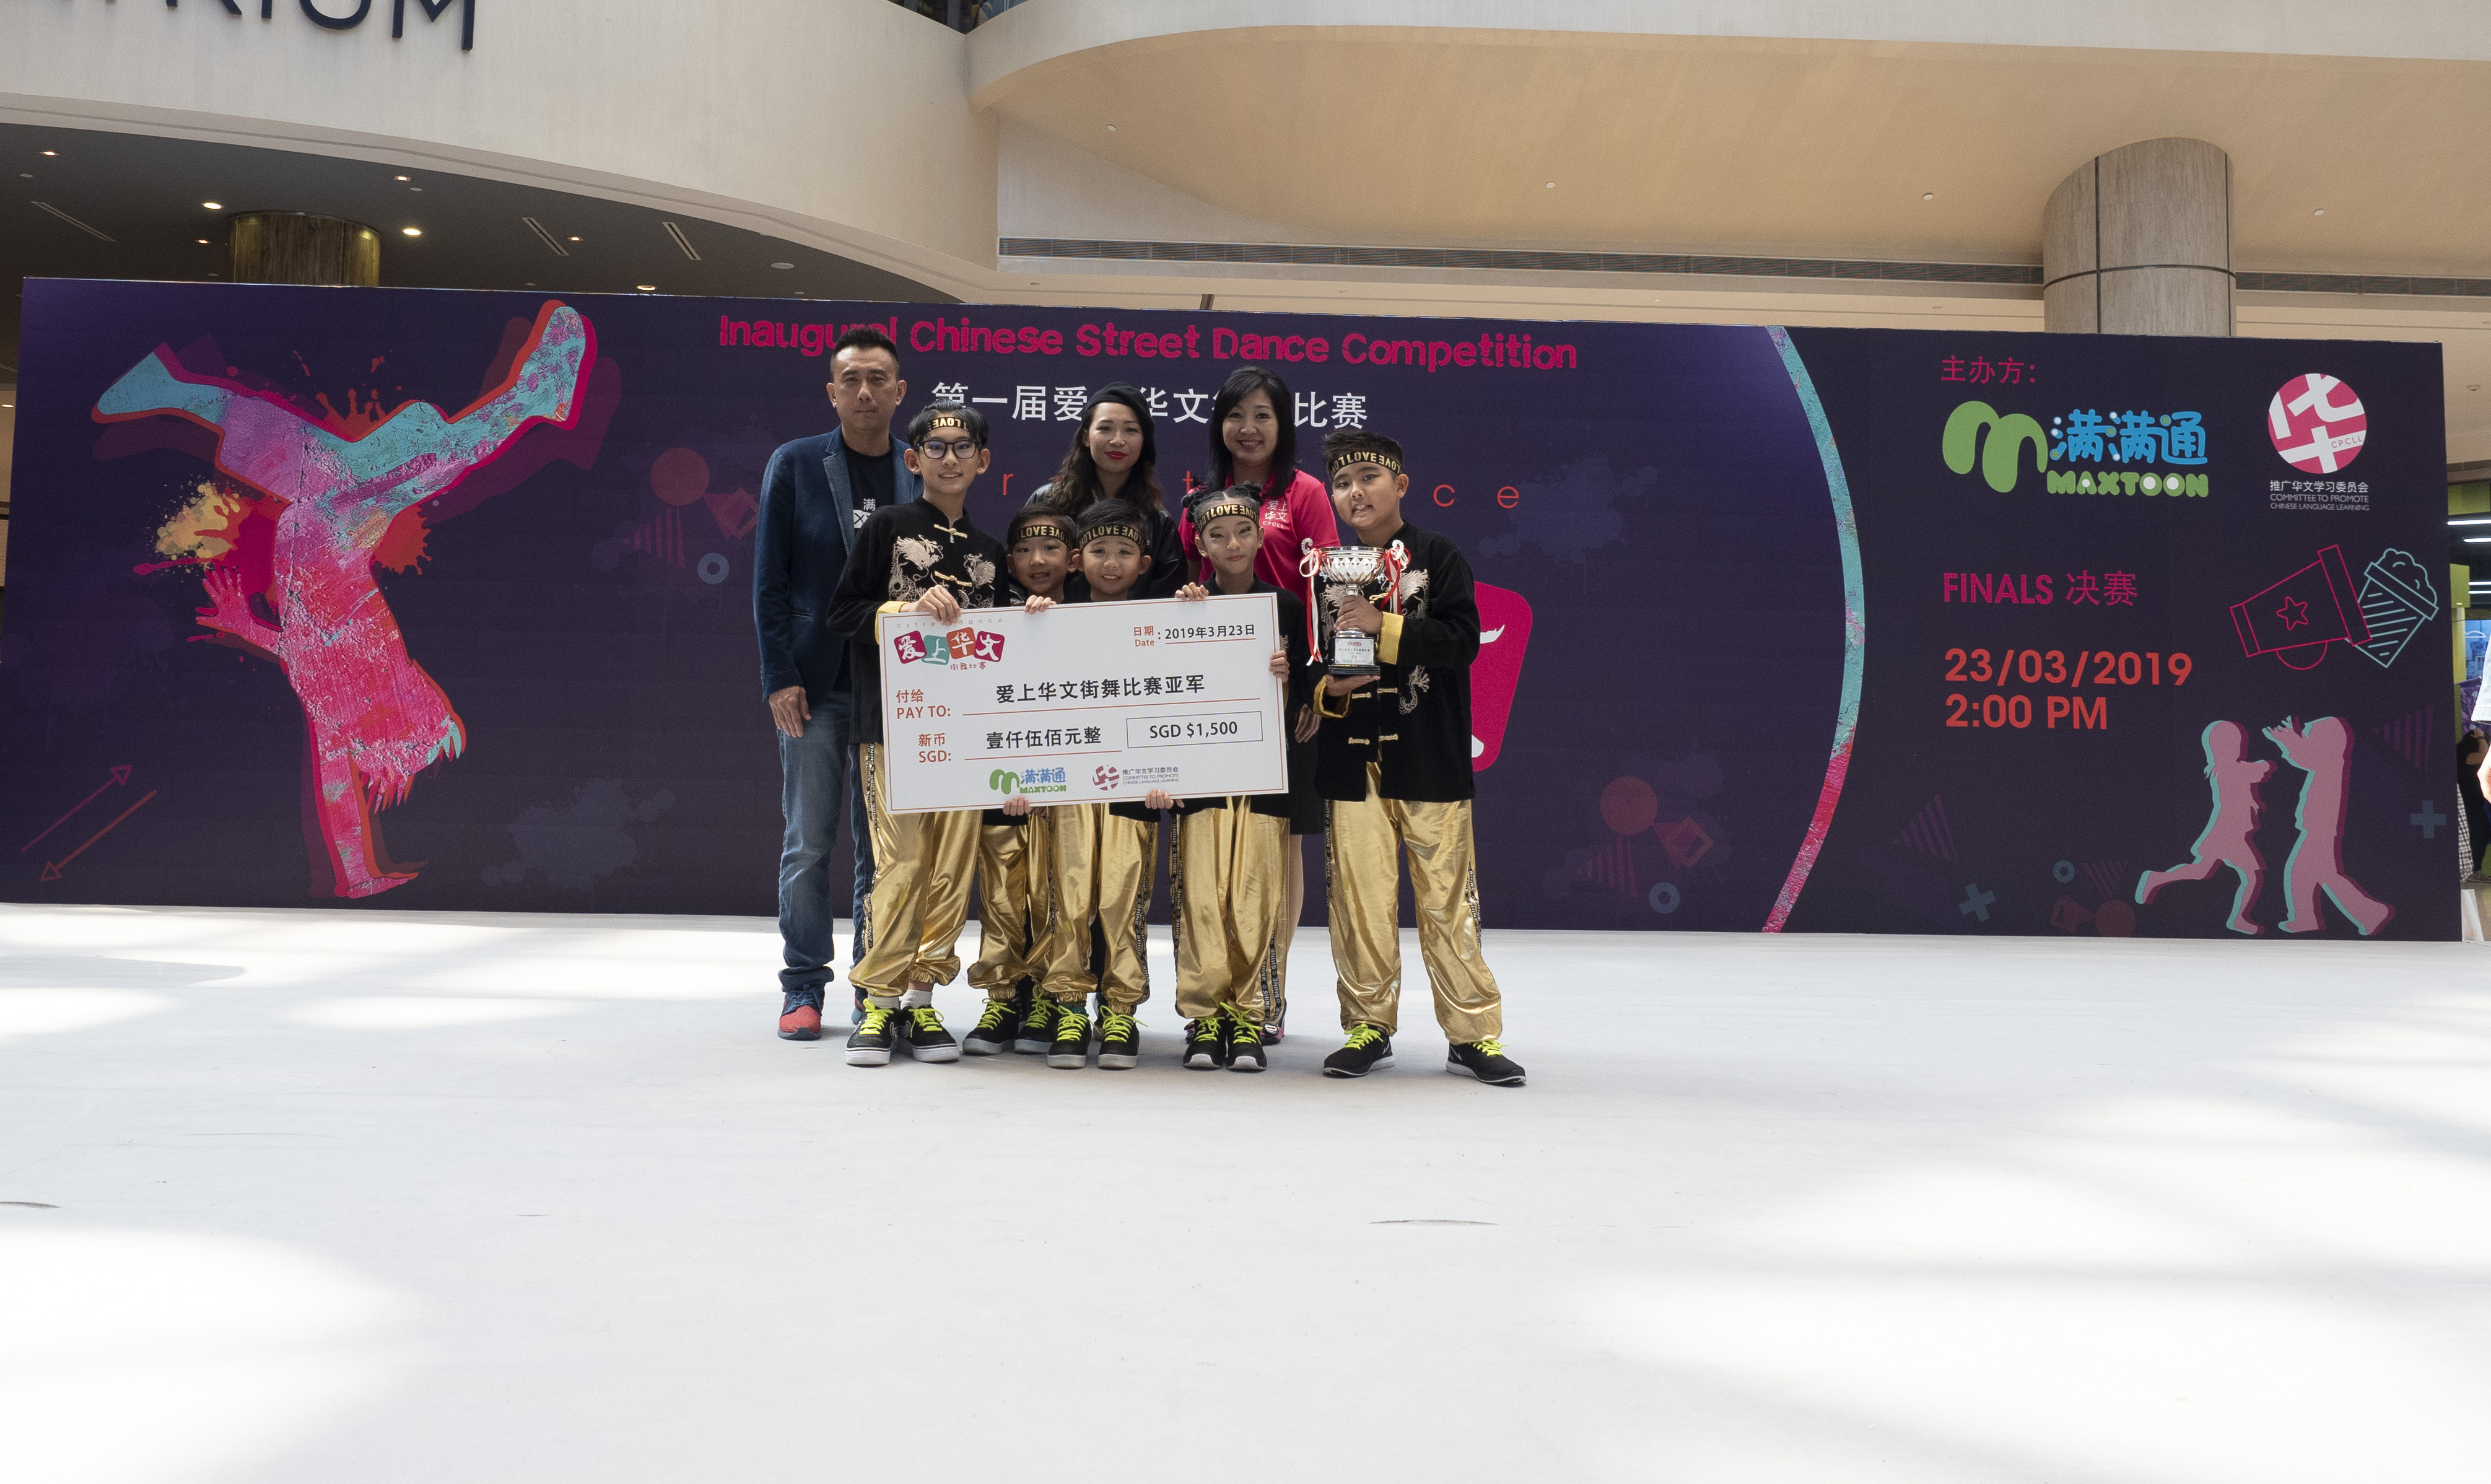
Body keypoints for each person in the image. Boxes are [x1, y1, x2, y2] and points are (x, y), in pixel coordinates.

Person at [1311, 429, 1524, 1086]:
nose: (1355, 492)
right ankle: (1366, 1026)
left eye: (1369, 477)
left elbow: (1463, 642)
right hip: (1352, 764)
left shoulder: (1439, 554)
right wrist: (1328, 691)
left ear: (1400, 485)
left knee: (1446, 902)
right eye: (1343, 484)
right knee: (1359, 900)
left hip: (1429, 757)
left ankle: (1472, 1033)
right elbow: (1314, 669)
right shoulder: (1327, 569)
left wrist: (1385, 627)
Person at [825, 404, 1009, 1067]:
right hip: (892, 728)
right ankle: (878, 1003)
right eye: (937, 445)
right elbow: (842, 610)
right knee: (898, 863)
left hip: (966, 739)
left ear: (983, 461)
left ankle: (924, 1002)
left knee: (949, 871)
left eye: (965, 447)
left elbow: (1008, 649)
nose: (951, 457)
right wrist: (904, 609)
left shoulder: (991, 552)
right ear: (913, 459)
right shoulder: (888, 527)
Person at [756, 326, 917, 1041]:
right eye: (850, 379)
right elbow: (770, 581)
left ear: (899, 391)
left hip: (898, 689)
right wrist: (779, 674)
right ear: (831, 391)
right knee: (808, 842)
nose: (864, 391)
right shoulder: (796, 464)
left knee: (882, 846)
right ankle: (802, 986)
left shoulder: (920, 468)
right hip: (817, 684)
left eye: (877, 378)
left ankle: (870, 984)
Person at [1180, 365, 1341, 1032]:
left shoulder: (1304, 492)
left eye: (1263, 414)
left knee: (1280, 845)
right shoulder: (1202, 495)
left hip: (1286, 689)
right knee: (1211, 842)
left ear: (1282, 424)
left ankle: (1265, 992)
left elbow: (1330, 589)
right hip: (1212, 699)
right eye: (1235, 414)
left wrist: (1314, 684)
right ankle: (1212, 987)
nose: (1248, 428)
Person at [1166, 486, 1311, 1072]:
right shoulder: (1182, 606)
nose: (1232, 544)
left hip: (1264, 775)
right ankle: (1204, 1019)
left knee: (1257, 894)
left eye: (1243, 532)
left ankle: (1252, 1016)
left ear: (1261, 536)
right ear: (1199, 543)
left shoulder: (1287, 609)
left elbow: (1312, 700)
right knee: (1200, 895)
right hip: (1200, 775)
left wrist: (1287, 677)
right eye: (1217, 535)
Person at [1034, 500, 1168, 1070]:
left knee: (1121, 897)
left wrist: (1172, 774)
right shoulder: (1043, 621)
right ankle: (1069, 1003)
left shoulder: (1165, 625)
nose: (1110, 564)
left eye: (1123, 553)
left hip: (1135, 786)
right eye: (1097, 551)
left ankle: (1119, 1009)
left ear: (1144, 564)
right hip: (1068, 784)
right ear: (1075, 561)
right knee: (1070, 894)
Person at [961, 504, 1077, 1057]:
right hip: (1001, 778)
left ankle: (1053, 997)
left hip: (1070, 779)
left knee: (1059, 892)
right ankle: (1004, 996)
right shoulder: (988, 613)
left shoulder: (1098, 616)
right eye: (1026, 550)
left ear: (1073, 560)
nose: (1037, 560)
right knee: (1004, 892)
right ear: (1008, 560)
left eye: (1051, 548)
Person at [1034, 384, 1185, 600]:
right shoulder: (1047, 503)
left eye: (1131, 430)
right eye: (1105, 429)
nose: (1117, 440)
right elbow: (1020, 576)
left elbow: (1168, 600)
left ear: (1144, 442)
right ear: (1086, 437)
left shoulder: (1158, 521)